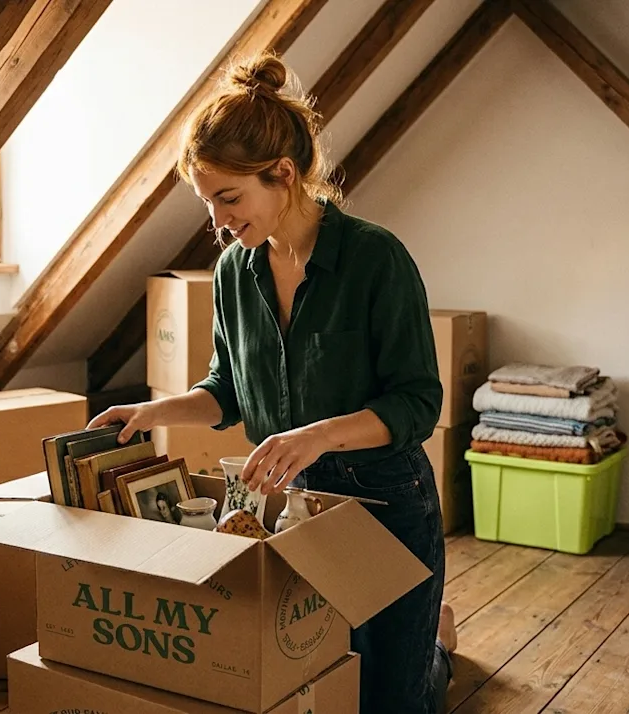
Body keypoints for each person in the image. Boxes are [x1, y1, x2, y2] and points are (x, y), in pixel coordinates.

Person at [88, 51, 456, 712]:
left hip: (384, 501)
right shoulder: (234, 271)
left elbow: (417, 404)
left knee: (390, 702)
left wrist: (316, 436)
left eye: (229, 197)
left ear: (283, 174)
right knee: (310, 680)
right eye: (208, 203)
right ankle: (426, 639)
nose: (219, 221)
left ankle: (435, 651)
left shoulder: (376, 259)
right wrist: (154, 413)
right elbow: (226, 391)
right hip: (286, 506)